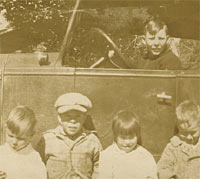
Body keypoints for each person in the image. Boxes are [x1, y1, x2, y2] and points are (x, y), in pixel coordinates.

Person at [36, 92, 102, 179]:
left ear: (84, 118)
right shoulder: (47, 140)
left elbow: (99, 168)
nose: (73, 121)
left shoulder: (92, 140)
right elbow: (37, 167)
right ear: (59, 118)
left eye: (78, 116)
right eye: (67, 116)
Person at [98, 110, 157, 179]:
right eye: (123, 138)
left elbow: (152, 176)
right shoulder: (107, 156)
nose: (127, 142)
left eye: (131, 137)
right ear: (115, 136)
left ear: (137, 135)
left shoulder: (145, 156)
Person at [108, 17, 182, 70]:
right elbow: (130, 68)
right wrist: (114, 58)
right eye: (151, 38)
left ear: (167, 40)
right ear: (144, 40)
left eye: (161, 38)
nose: (156, 43)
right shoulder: (144, 59)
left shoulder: (170, 61)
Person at [0, 106, 47, 179]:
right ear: (5, 128)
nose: (14, 142)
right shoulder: (2, 152)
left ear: (31, 135)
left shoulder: (34, 159)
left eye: (20, 139)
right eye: (10, 136)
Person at [157, 100, 200, 179]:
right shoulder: (173, 147)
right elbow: (162, 168)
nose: (189, 137)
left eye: (193, 132)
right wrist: (170, 177)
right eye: (184, 133)